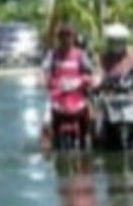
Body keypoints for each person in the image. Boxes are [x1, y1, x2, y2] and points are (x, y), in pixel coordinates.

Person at [40, 23, 98, 151]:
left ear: (73, 37)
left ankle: (95, 144)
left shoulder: (80, 55)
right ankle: (45, 152)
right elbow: (44, 71)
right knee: (45, 123)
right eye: (62, 36)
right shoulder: (52, 55)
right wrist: (43, 80)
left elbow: (91, 72)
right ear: (58, 38)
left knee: (93, 117)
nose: (66, 39)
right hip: (57, 96)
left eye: (68, 36)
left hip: (78, 95)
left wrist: (91, 80)